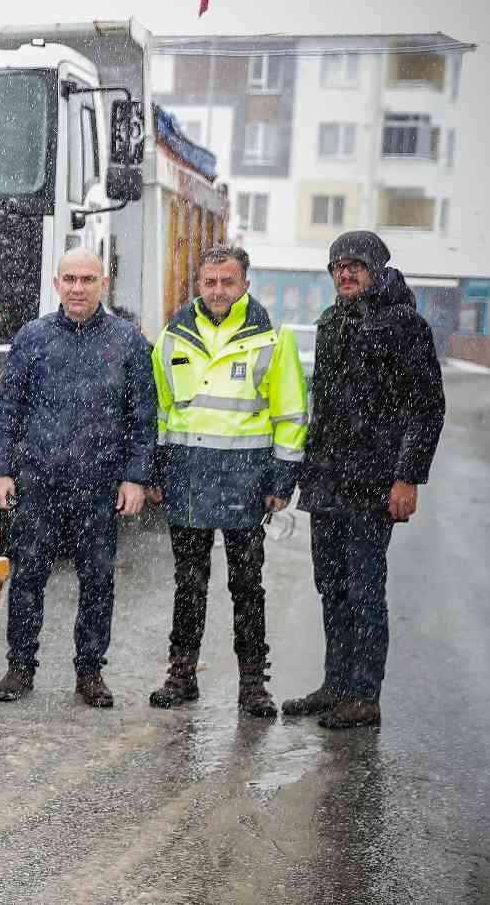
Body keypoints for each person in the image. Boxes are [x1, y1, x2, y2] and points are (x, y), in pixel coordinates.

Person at [284, 230, 444, 730]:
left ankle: (364, 695)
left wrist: (408, 477)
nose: (345, 273)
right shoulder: (331, 322)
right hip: (328, 480)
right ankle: (335, 685)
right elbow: (324, 409)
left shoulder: (404, 326)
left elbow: (427, 407)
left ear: (376, 267)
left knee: (364, 589)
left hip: (374, 484)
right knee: (330, 586)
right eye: (337, 266)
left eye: (355, 264)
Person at [0, 247, 154, 708]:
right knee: (27, 578)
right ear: (57, 284)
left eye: (87, 279)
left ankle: (90, 672)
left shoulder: (128, 342)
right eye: (70, 279)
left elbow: (143, 418)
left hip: (99, 488)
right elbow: (8, 412)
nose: (78, 288)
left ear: (103, 285)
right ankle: (20, 666)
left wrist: (135, 477)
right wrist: (1, 470)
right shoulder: (33, 337)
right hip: (40, 483)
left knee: (98, 582)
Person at [146, 246, 308, 718]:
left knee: (247, 586)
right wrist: (155, 469)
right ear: (198, 285)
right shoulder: (171, 339)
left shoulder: (274, 341)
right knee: (189, 585)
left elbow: (291, 414)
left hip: (246, 481)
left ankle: (253, 686)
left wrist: (282, 477)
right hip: (189, 477)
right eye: (210, 282)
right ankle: (182, 676)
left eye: (228, 282)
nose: (218, 291)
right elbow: (159, 412)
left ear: (245, 285)